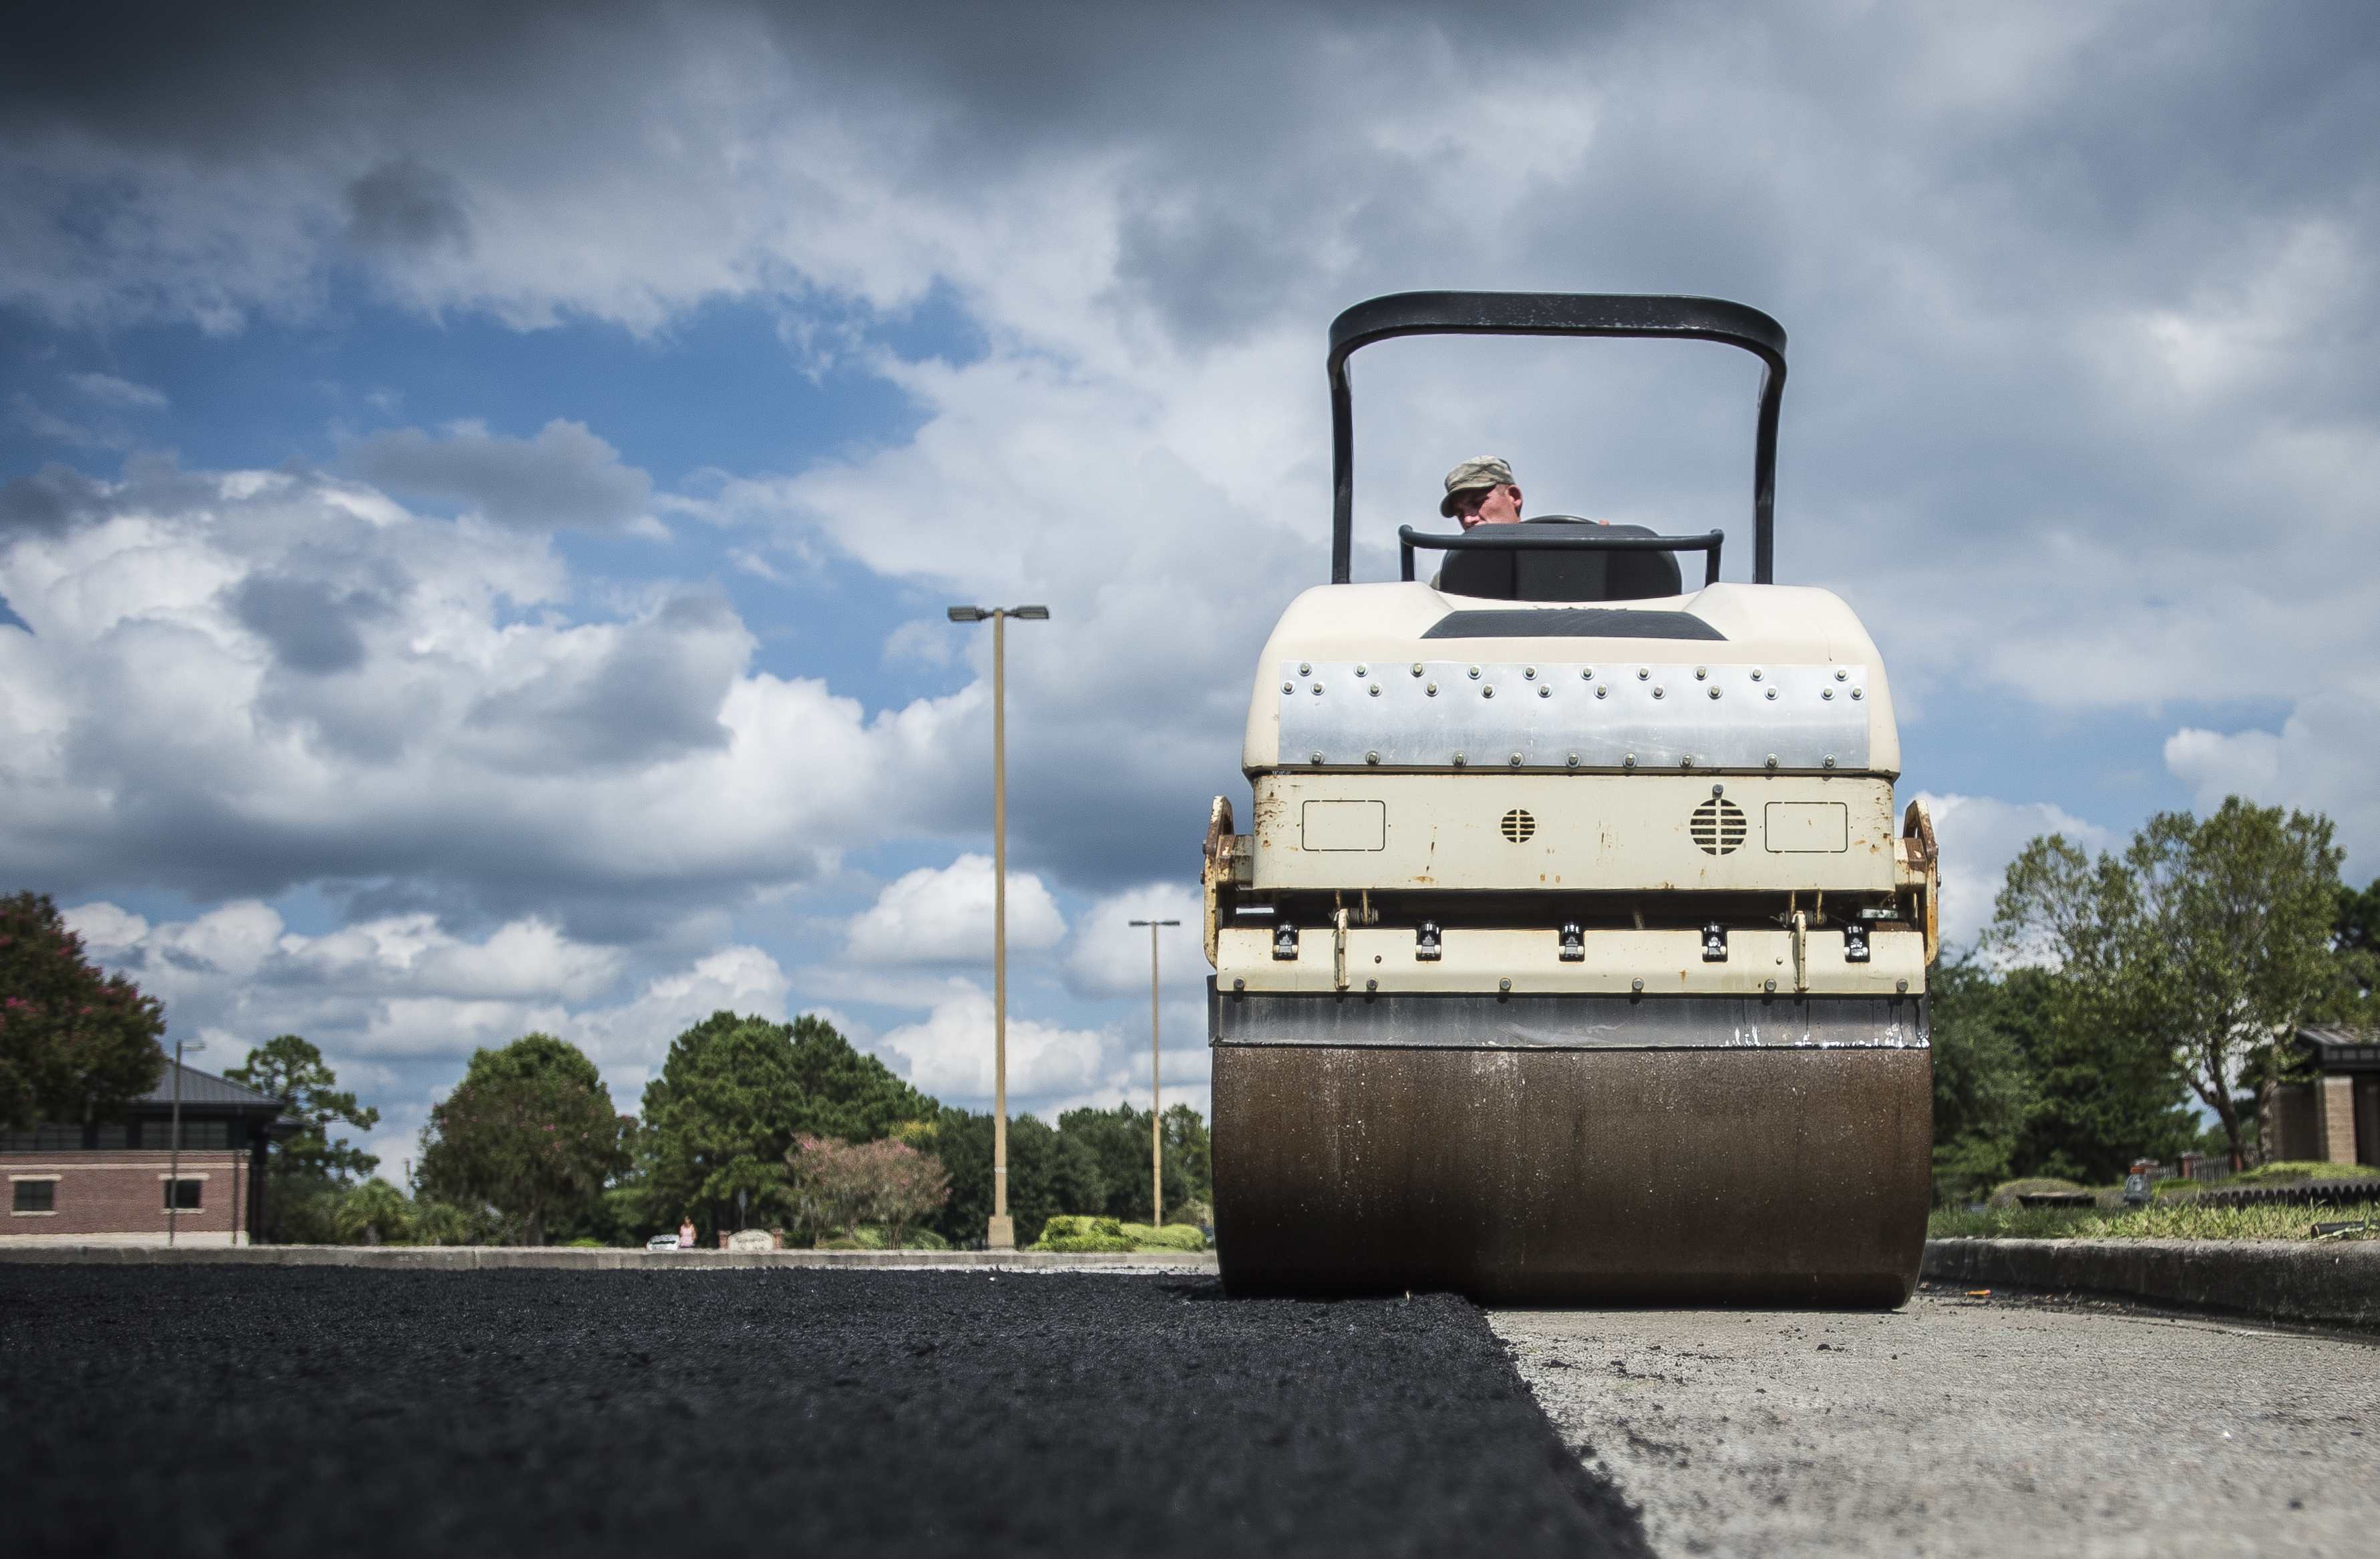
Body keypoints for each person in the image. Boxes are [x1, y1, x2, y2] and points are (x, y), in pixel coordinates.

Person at [1440, 456, 1524, 529]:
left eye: (1478, 502)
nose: (1468, 520)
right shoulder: (1455, 547)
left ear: (1514, 496)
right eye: (1460, 514)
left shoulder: (1536, 542)